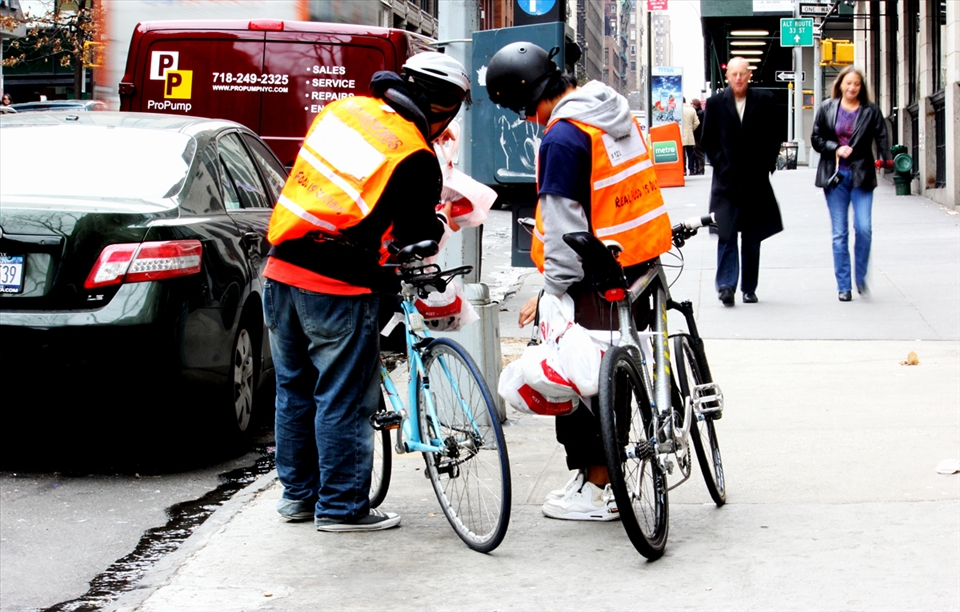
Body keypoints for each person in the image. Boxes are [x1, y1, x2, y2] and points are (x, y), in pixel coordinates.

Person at [263, 52, 470, 532]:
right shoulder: (415, 153)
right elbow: (416, 235)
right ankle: (341, 507)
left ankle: (298, 498)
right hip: (336, 284)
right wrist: (443, 216)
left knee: (294, 391)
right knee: (344, 397)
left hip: (280, 269)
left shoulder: (344, 111)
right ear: (445, 108)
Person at [485, 42, 672, 521]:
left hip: (593, 276)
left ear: (537, 96)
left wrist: (551, 290)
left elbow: (566, 226)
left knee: (581, 383)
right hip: (641, 261)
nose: (529, 120)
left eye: (525, 109)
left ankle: (596, 486)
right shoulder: (612, 114)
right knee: (618, 376)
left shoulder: (564, 137)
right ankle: (599, 477)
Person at [700, 57, 782, 306]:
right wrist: (721, 164)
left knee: (751, 236)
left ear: (749, 76)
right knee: (726, 233)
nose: (738, 78)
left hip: (755, 181)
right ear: (727, 77)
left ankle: (748, 287)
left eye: (742, 74)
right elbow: (708, 140)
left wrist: (766, 164)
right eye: (733, 74)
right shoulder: (715, 104)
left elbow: (773, 135)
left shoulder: (764, 100)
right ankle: (726, 286)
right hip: (726, 182)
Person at [811, 66, 890, 302]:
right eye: (848, 83)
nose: (852, 87)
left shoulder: (870, 111)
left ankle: (861, 276)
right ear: (841, 85)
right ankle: (843, 286)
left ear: (861, 86)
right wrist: (836, 148)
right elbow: (816, 139)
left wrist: (887, 159)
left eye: (856, 83)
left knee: (864, 229)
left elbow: (882, 135)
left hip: (862, 176)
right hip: (835, 177)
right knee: (839, 233)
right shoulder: (827, 108)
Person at [681, 97, 700, 176]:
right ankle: (691, 170)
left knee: (682, 154)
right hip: (689, 134)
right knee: (690, 153)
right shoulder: (692, 110)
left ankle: (683, 170)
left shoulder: (678, 110)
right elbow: (697, 122)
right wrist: (691, 129)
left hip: (680, 134)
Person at [691, 98, 705, 174]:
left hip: (697, 135)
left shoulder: (698, 113)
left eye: (692, 104)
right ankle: (699, 169)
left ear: (695, 105)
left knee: (698, 153)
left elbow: (697, 125)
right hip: (700, 135)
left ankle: (700, 169)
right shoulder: (701, 112)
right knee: (698, 152)